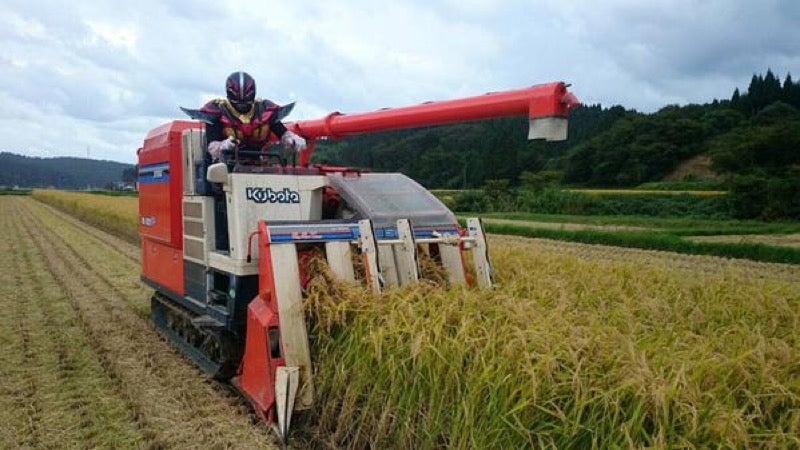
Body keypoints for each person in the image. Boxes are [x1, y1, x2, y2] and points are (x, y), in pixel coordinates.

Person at [181, 71, 306, 162]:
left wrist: (293, 139)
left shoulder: (264, 109)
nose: (242, 106)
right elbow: (211, 146)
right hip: (224, 168)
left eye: (246, 103)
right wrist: (223, 146)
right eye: (238, 103)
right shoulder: (217, 111)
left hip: (257, 165)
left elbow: (282, 133)